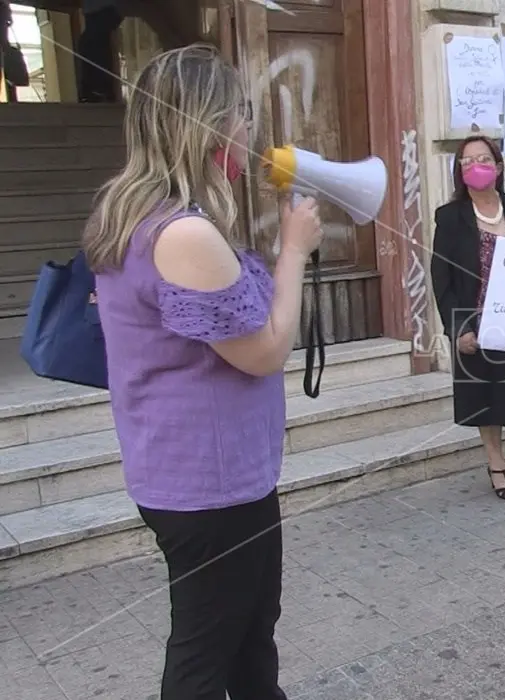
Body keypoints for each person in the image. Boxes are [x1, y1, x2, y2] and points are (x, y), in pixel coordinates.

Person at [83, 44, 322, 699]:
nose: (250, 128)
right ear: (208, 125)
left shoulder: (129, 212)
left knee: (245, 636)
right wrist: (294, 251)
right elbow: (266, 350)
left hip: (197, 474)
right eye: (240, 114)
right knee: (208, 650)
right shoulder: (183, 234)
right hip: (212, 484)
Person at [430, 135, 505, 501]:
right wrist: (458, 329)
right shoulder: (450, 218)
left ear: (498, 166)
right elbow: (442, 280)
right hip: (476, 325)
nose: (476, 166)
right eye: (467, 161)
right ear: (459, 172)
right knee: (485, 397)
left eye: (483, 158)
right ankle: (495, 463)